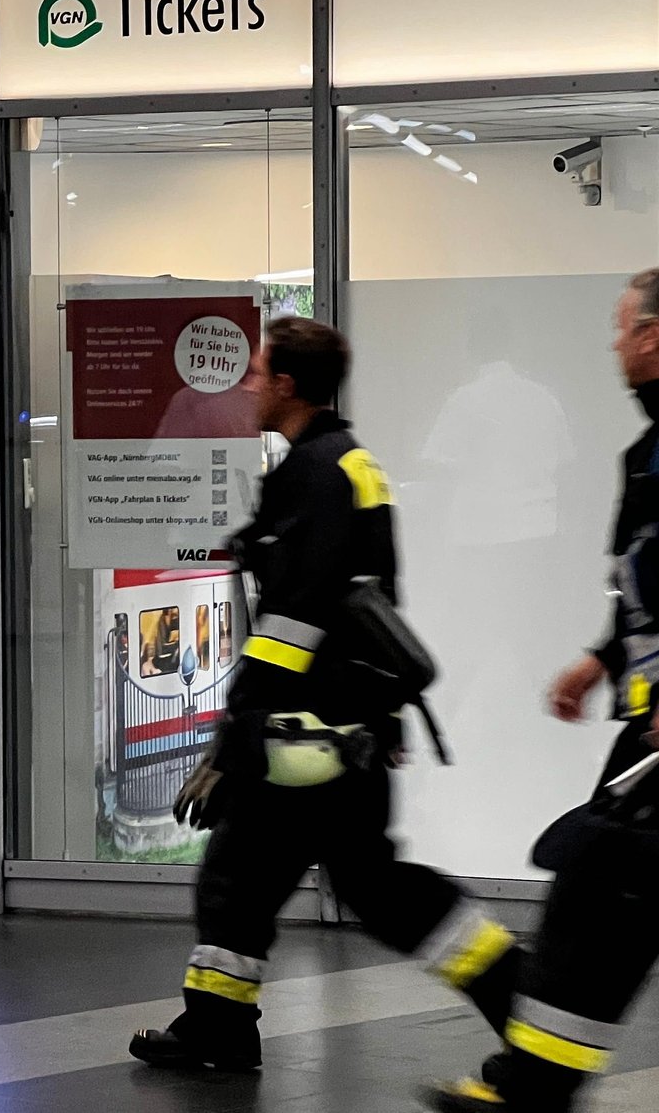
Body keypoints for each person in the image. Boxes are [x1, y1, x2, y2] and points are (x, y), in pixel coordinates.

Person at [129, 317, 518, 1072]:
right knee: (350, 883)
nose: (247, 384)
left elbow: (293, 619)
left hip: (305, 729)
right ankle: (513, 990)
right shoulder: (351, 463)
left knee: (249, 877)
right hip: (348, 720)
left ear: (287, 384)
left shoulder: (315, 472)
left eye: (258, 371)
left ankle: (516, 989)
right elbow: (369, 600)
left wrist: (237, 726)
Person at [424, 269, 659, 1113]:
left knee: (599, 887)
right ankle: (537, 1083)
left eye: (621, 327)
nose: (612, 343)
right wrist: (601, 658)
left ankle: (535, 1087)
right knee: (604, 894)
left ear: (654, 337)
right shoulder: (645, 451)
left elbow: (443, 467)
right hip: (644, 718)